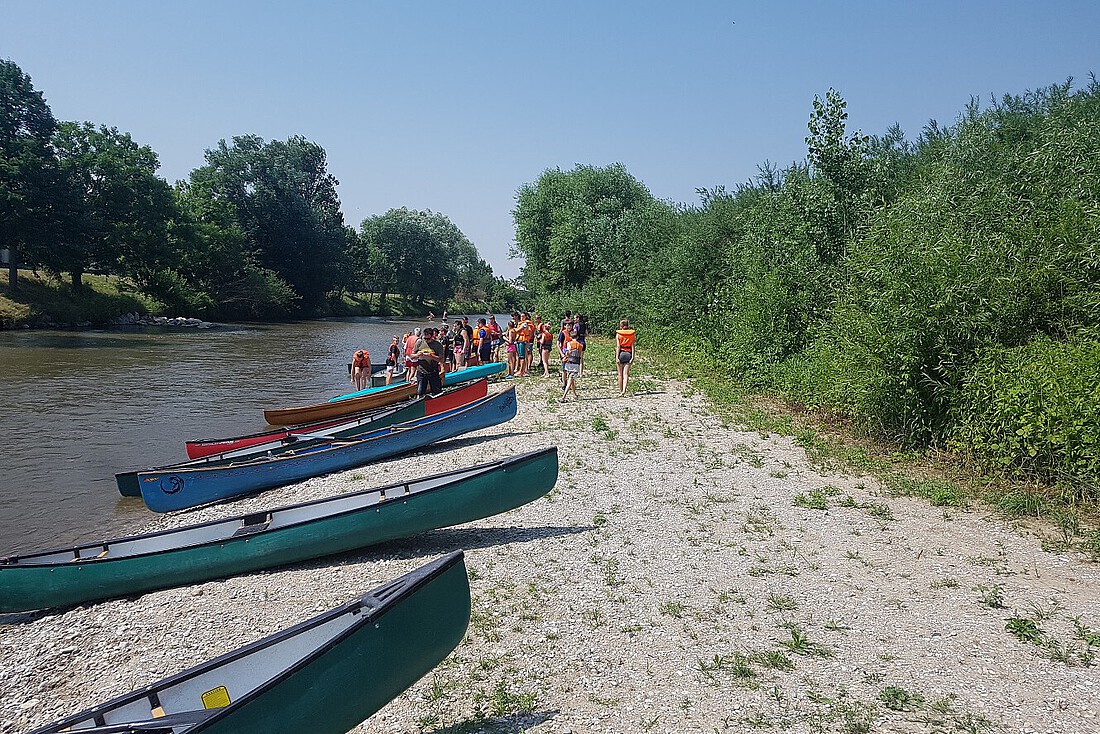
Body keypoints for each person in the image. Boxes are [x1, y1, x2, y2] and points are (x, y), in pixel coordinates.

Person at [414, 327, 445, 397]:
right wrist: (417, 355)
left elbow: (441, 359)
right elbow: (412, 355)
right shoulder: (419, 342)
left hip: (433, 371)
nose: (426, 340)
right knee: (420, 392)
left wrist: (431, 356)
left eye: (428, 339)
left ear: (432, 336)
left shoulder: (438, 345)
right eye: (425, 338)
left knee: (437, 391)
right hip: (421, 371)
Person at [615, 319, 637, 397]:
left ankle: (621, 391)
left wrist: (616, 357)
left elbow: (618, 346)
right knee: (626, 374)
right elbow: (633, 346)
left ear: (621, 326)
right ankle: (624, 390)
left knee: (620, 374)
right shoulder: (632, 334)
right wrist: (633, 357)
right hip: (628, 353)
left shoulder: (618, 334)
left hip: (621, 353)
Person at [561, 332, 583, 401]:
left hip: (569, 363)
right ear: (577, 337)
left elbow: (567, 352)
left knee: (570, 379)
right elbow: (580, 356)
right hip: (576, 364)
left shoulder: (569, 344)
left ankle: (564, 397)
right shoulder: (580, 345)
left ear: (571, 337)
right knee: (571, 379)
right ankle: (572, 395)